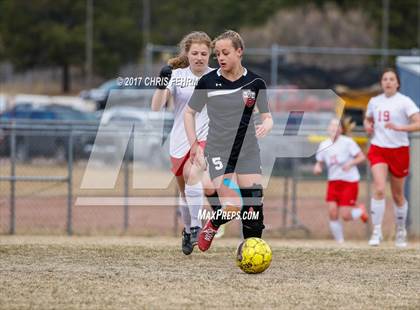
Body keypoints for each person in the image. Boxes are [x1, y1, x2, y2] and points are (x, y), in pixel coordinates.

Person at [184, 30, 273, 252]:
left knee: (254, 205)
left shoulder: (256, 82)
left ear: (239, 52)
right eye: (217, 54)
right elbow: (189, 113)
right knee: (232, 206)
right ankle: (213, 224)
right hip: (218, 150)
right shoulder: (208, 81)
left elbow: (267, 116)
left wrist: (267, 124)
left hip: (248, 149)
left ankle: (251, 251)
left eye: (225, 52)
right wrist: (194, 145)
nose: (220, 58)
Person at [151, 31, 214, 255]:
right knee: (185, 192)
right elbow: (156, 107)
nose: (199, 57)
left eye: (204, 53)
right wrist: (161, 84)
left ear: (210, 55)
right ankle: (187, 230)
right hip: (179, 140)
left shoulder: (217, 76)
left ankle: (196, 226)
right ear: (187, 53)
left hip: (206, 138)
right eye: (195, 53)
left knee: (192, 174)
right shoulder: (177, 75)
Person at [364, 68, 420, 247]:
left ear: (397, 83)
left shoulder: (405, 102)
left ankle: (401, 231)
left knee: (397, 195)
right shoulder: (374, 101)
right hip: (379, 148)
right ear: (381, 83)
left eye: (391, 79)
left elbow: (418, 123)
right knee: (379, 188)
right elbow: (368, 120)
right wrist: (368, 126)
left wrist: (399, 127)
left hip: (399, 150)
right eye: (385, 79)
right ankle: (377, 231)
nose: (388, 82)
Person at [313, 118, 368, 243]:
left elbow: (361, 157)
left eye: (337, 126)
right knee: (332, 212)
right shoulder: (324, 144)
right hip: (333, 182)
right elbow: (319, 162)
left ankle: (360, 211)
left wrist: (351, 163)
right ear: (328, 129)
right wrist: (317, 167)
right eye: (332, 125)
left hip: (349, 181)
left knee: (345, 216)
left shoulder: (347, 142)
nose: (334, 128)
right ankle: (340, 242)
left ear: (341, 129)